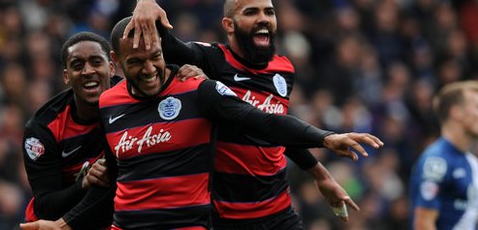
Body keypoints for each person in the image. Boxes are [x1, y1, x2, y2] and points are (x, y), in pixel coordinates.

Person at [100, 16, 381, 229]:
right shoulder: (108, 103)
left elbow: (264, 123)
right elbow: (113, 177)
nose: (149, 69)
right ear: (117, 62)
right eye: (136, 62)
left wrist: (324, 138)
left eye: (155, 57)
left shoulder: (199, 90)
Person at [20, 31, 206, 230]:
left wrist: (195, 78)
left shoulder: (138, 98)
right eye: (77, 66)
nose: (88, 71)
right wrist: (84, 183)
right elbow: (46, 205)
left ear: (111, 67)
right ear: (66, 76)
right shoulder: (43, 128)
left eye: (96, 62)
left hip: (113, 219)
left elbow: (168, 83)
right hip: (52, 223)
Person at [409, 80, 478, 230]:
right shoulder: (437, 161)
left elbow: (477, 218)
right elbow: (423, 223)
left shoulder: (474, 163)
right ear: (456, 112)